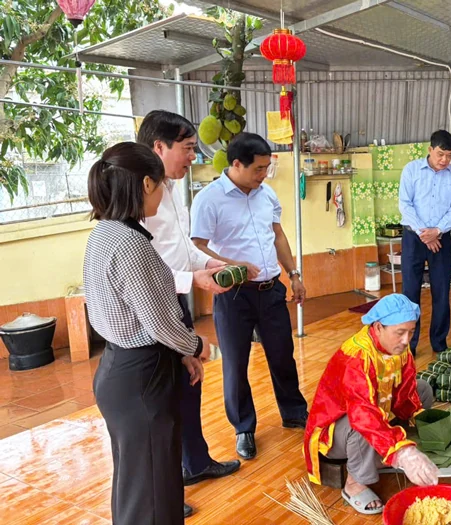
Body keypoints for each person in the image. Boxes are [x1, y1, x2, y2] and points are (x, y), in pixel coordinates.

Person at [84, 142, 210, 525]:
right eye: (160, 186)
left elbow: (144, 315)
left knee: (139, 486)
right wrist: (197, 346)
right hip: (142, 378)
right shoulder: (131, 244)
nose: (162, 194)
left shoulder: (106, 232)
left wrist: (180, 353)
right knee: (153, 496)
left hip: (121, 368)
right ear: (144, 185)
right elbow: (158, 321)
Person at [137, 110, 240, 513]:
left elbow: (180, 248)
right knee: (160, 401)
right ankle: (160, 490)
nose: (193, 157)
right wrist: (191, 280)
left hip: (177, 296)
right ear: (158, 147)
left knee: (188, 385)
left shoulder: (171, 188)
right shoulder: (139, 197)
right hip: (155, 305)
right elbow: (146, 264)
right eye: (188, 148)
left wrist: (208, 264)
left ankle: (194, 463)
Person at [190, 132, 308, 461]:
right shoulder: (209, 200)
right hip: (233, 295)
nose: (263, 175)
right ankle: (244, 427)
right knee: (236, 363)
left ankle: (294, 412)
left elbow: (278, 235)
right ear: (236, 164)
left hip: (271, 291)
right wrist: (232, 266)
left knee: (283, 354)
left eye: (267, 168)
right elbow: (196, 245)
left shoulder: (266, 194)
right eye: (258, 169)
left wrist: (294, 275)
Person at [304, 294, 438, 515]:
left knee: (422, 388)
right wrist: (402, 453)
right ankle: (355, 484)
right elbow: (363, 413)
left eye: (411, 332)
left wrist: (420, 420)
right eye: (400, 333)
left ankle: (396, 449)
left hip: (376, 412)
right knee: (362, 425)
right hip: (335, 431)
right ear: (377, 328)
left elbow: (406, 393)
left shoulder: (399, 350)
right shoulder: (356, 358)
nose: (407, 340)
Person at [399, 129, 451, 355]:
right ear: (430, 150)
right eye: (440, 154)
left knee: (441, 292)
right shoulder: (411, 170)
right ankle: (409, 346)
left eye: (449, 155)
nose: (445, 160)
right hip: (413, 239)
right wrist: (424, 234)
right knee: (410, 293)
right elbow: (405, 205)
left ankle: (439, 343)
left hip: (441, 239)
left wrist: (436, 231)